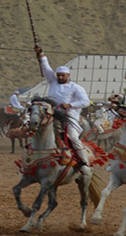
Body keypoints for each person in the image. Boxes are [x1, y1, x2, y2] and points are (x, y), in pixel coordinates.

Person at [34, 46, 94, 177]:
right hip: (52, 115)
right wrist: (41, 55)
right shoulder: (52, 81)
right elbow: (46, 68)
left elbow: (85, 102)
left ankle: (84, 163)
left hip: (69, 117)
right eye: (58, 75)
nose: (60, 77)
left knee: (72, 137)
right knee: (36, 129)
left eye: (63, 75)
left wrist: (70, 105)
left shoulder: (75, 87)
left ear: (68, 75)